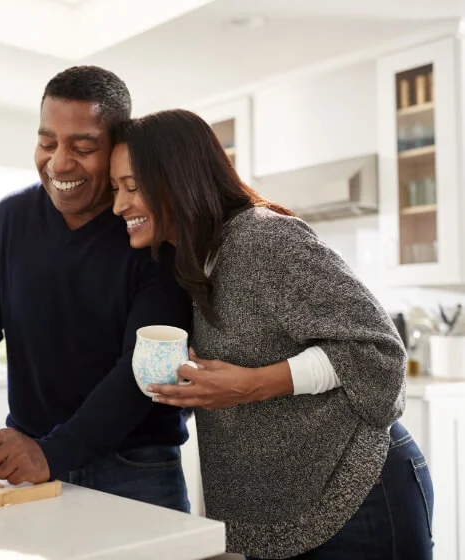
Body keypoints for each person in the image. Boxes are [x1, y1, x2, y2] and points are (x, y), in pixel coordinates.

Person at [109, 109, 434, 559]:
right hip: (288, 514)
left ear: (176, 177)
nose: (118, 206)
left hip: (358, 495)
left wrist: (250, 385)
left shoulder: (264, 240)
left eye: (131, 187)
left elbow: (375, 350)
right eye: (114, 189)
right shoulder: (195, 262)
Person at [0, 67, 193, 513]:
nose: (59, 163)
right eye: (47, 142)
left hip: (135, 467)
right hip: (30, 456)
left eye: (83, 147)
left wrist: (53, 453)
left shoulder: (149, 230)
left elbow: (141, 371)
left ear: (117, 149)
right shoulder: (10, 218)